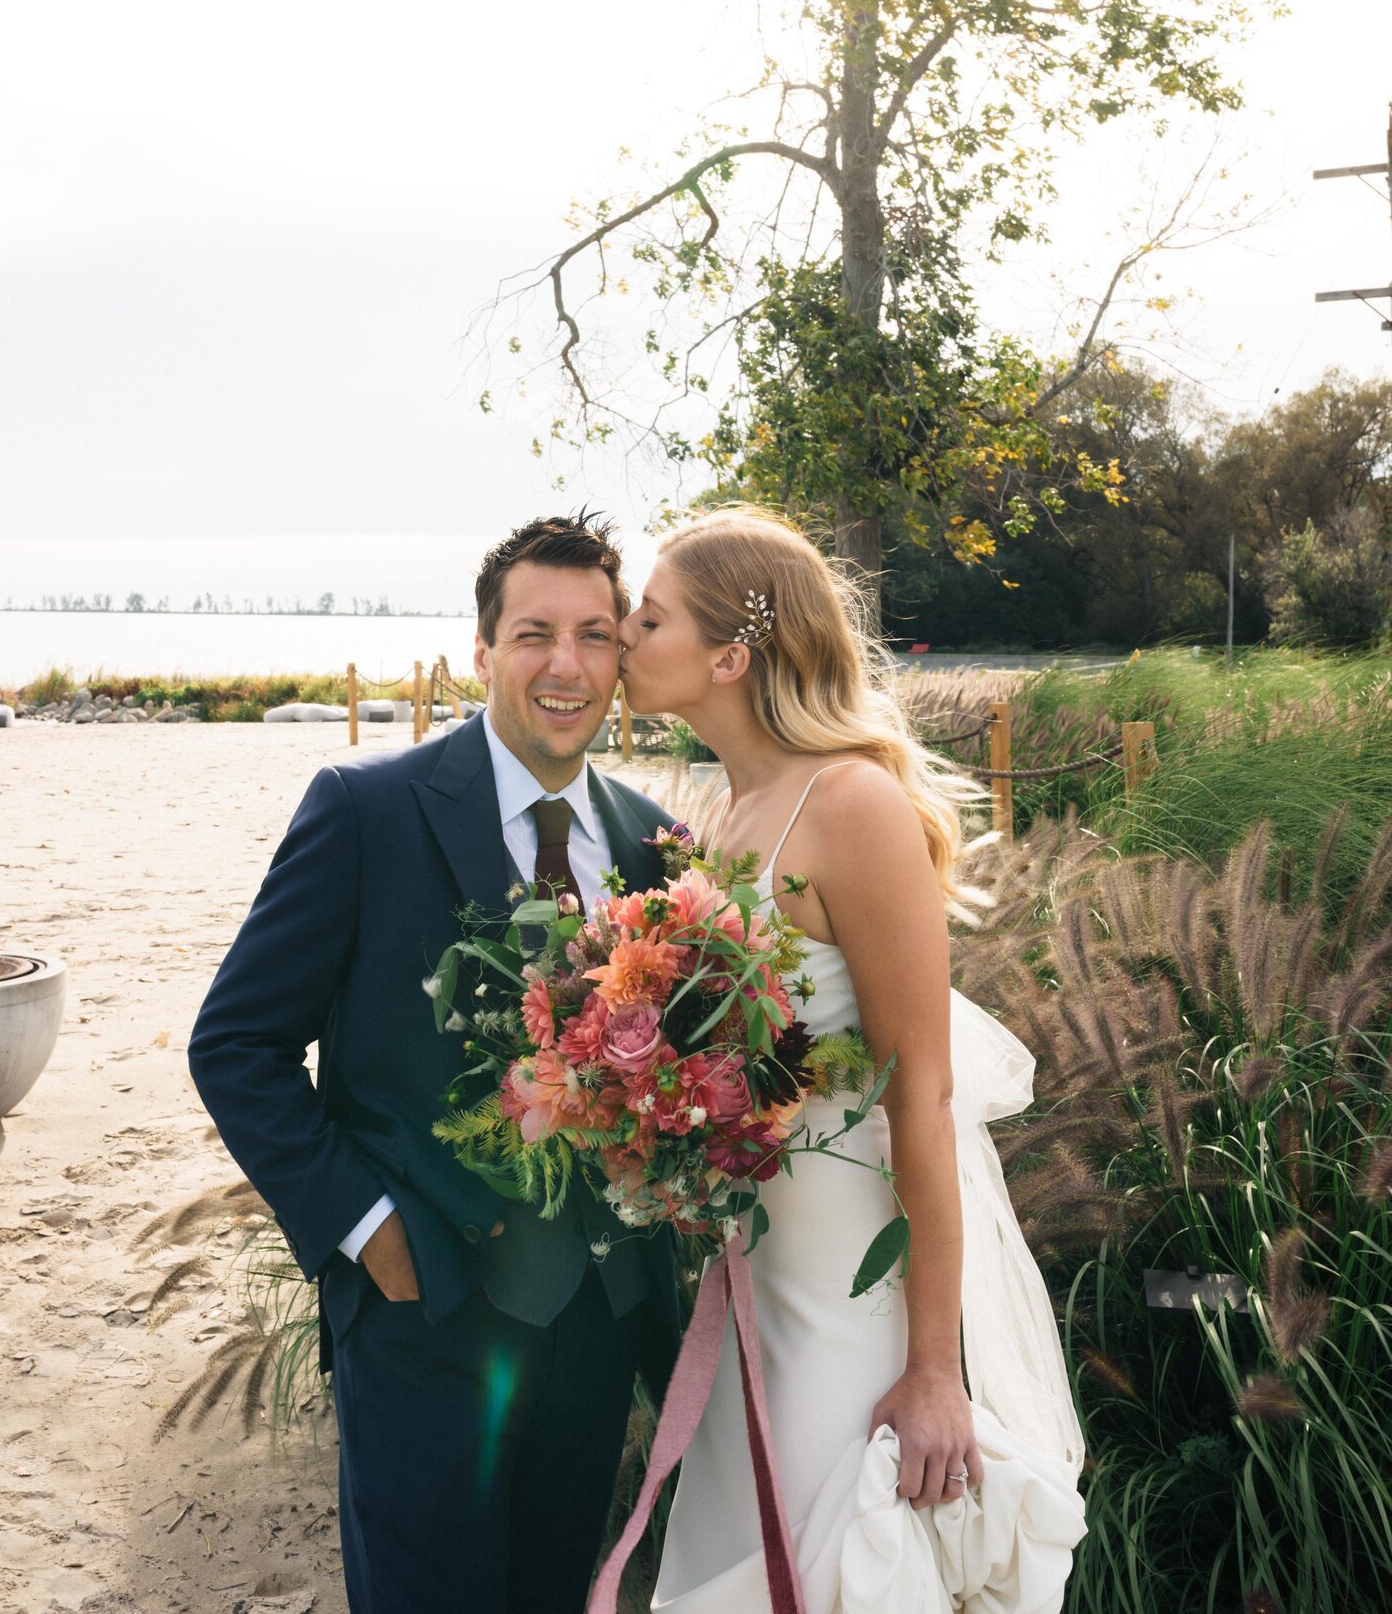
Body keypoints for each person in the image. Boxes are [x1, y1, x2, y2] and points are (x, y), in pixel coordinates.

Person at [188, 514, 678, 1614]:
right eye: (533, 633)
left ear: (620, 659)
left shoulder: (653, 842)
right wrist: (366, 1227)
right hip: (425, 1320)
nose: (566, 665)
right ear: (481, 652)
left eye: (595, 636)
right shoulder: (366, 811)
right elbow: (235, 1045)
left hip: (597, 1330)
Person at [618, 508, 1086, 1614]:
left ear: (730, 654)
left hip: (853, 1295)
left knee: (834, 1566)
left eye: (648, 617)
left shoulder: (852, 804)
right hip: (759, 1277)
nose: (623, 637)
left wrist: (933, 1369)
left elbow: (921, 1093)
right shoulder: (735, 814)